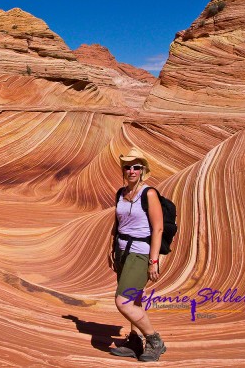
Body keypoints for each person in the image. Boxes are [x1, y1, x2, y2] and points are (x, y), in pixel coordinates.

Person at [108, 147, 166, 362]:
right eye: (127, 167)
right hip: (123, 250)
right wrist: (111, 247)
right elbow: (118, 223)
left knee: (123, 301)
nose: (131, 170)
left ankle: (154, 340)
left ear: (142, 170)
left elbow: (158, 228)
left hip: (140, 253)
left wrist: (153, 261)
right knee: (134, 299)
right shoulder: (121, 194)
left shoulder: (148, 193)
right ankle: (134, 341)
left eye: (136, 167)